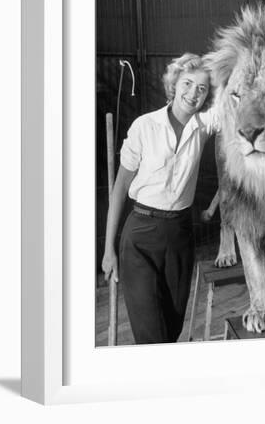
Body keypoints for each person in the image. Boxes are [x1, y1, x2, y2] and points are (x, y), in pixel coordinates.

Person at [102, 53, 218, 344]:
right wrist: (108, 249)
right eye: (188, 83)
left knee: (171, 329)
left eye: (202, 88)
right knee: (151, 336)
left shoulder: (204, 126)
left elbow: (236, 99)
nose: (193, 93)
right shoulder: (144, 126)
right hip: (140, 235)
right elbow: (119, 189)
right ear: (174, 83)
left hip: (180, 236)